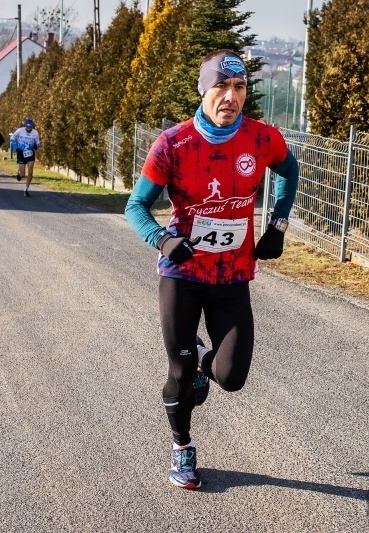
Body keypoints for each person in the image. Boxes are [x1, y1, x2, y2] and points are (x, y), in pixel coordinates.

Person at [124, 49, 300, 490]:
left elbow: (289, 170)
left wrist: (277, 226)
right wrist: (163, 239)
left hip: (232, 275)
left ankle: (206, 359)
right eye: (221, 86)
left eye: (239, 88)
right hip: (181, 275)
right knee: (180, 375)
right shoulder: (173, 143)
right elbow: (136, 206)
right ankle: (182, 445)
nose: (230, 96)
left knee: (232, 377)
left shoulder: (262, 139)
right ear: (204, 89)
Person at [11, 118, 41, 197]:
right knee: (23, 174)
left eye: (30, 127)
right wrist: (15, 147)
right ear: (25, 126)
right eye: (27, 127)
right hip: (21, 152)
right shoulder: (20, 130)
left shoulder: (35, 133)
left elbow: (38, 143)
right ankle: (19, 173)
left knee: (30, 171)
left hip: (30, 153)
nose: (29, 129)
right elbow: (12, 138)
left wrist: (35, 145)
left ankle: (26, 189)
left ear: (32, 126)